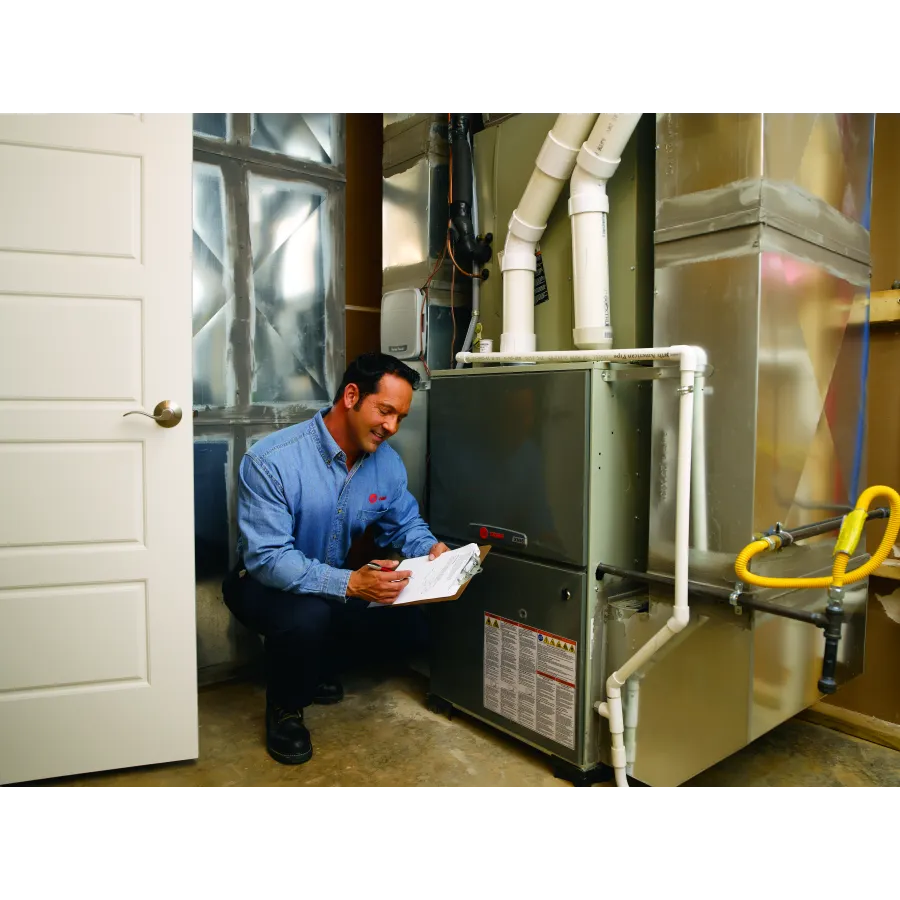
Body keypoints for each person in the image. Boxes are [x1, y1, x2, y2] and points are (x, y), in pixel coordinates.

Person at [222, 352, 449, 765]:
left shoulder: (387, 465)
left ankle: (316, 663)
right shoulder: (271, 460)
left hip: (334, 582)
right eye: (385, 411)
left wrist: (430, 551)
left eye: (401, 417)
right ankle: (286, 707)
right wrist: (351, 584)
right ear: (351, 396)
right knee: (308, 618)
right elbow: (269, 559)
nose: (392, 427)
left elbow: (404, 526)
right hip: (259, 583)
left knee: (413, 626)